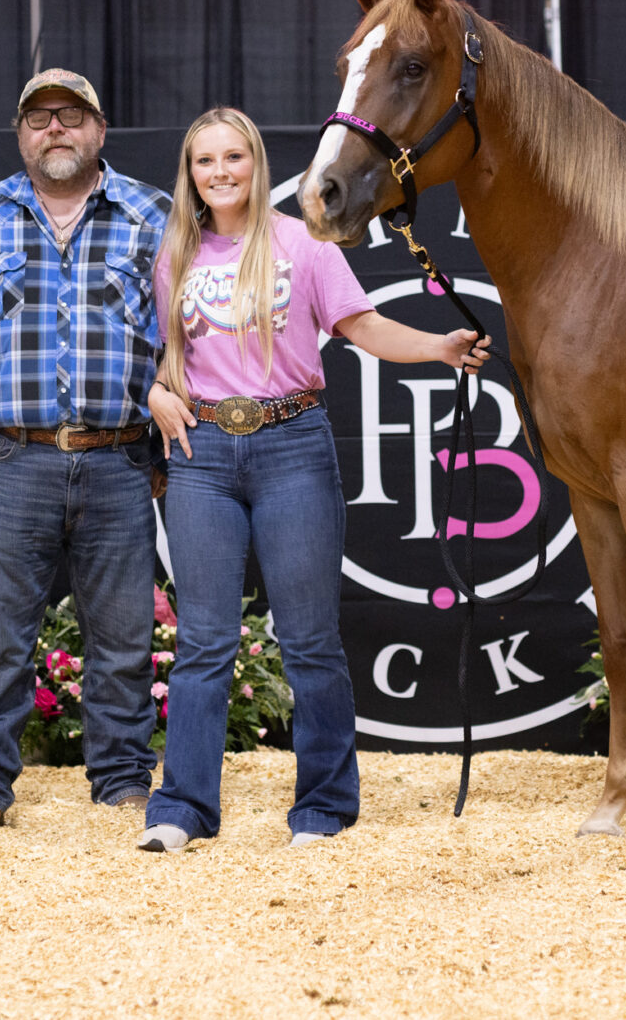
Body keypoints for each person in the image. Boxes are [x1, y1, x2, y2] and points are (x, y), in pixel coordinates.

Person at [139, 107, 487, 852]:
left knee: (309, 639)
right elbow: (151, 357)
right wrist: (150, 392)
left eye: (234, 157)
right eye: (205, 161)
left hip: (291, 444)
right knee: (203, 641)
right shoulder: (175, 251)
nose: (220, 172)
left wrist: (440, 347)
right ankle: (182, 809)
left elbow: (362, 327)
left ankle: (323, 807)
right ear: (190, 173)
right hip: (201, 456)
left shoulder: (302, 241)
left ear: (256, 164)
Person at [0, 68, 171, 844]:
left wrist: (164, 454)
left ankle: (122, 781)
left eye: (71, 116)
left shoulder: (154, 218)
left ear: (99, 129)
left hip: (122, 461)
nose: (54, 129)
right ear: (21, 134)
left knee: (124, 636)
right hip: (10, 461)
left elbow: (191, 344)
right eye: (38, 118)